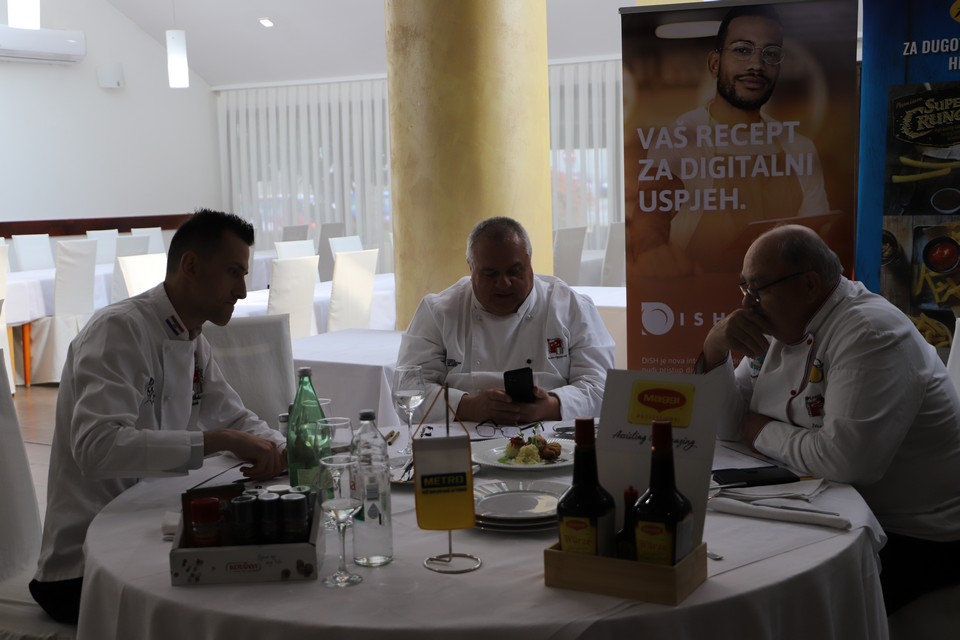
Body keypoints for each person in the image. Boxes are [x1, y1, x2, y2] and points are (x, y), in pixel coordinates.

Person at [30, 209, 287, 624]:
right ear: (191, 266)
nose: (242, 291)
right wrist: (217, 441)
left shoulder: (193, 338)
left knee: (266, 560)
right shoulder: (119, 330)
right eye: (233, 273)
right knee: (244, 591)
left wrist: (285, 449)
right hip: (84, 565)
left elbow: (235, 418)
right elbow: (97, 448)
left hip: (149, 527)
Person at [700, 224, 960, 613]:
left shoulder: (870, 333)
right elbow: (725, 427)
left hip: (915, 533)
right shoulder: (782, 322)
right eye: (744, 289)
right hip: (825, 506)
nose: (748, 305)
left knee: (773, 601)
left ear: (809, 284)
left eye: (757, 289)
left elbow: (847, 462)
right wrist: (715, 346)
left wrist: (759, 429)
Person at [629, 5, 831, 277]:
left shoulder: (799, 147)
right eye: (742, 50)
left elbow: (816, 237)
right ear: (715, 64)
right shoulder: (682, 138)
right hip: (703, 292)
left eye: (770, 54)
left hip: (781, 296)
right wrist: (651, 250)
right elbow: (653, 206)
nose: (756, 65)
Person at [397, 216, 615, 424]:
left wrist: (550, 406)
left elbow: (602, 387)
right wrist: (469, 406)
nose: (504, 283)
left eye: (514, 271)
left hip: (553, 438)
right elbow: (408, 388)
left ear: (530, 264)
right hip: (464, 438)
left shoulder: (570, 307)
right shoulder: (438, 311)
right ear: (471, 268)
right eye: (490, 274)